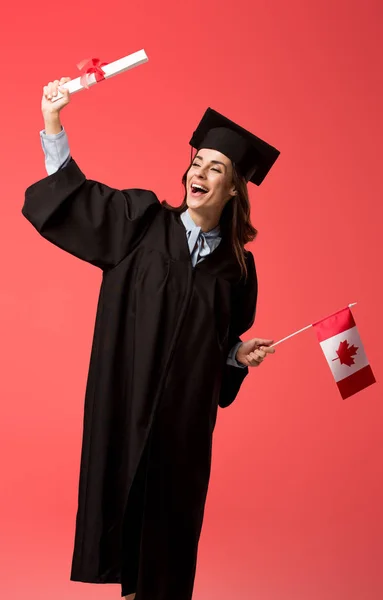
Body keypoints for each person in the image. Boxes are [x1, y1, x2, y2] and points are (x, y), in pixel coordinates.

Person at [22, 77, 280, 600]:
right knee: (122, 518)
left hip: (183, 422)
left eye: (216, 167)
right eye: (197, 161)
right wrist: (53, 122)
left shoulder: (238, 269)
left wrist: (237, 356)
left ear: (233, 189)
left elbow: (221, 348)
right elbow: (79, 199)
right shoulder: (141, 224)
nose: (199, 172)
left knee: (169, 530)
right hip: (126, 401)